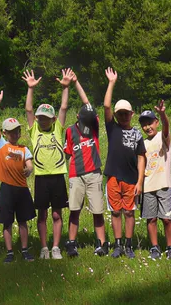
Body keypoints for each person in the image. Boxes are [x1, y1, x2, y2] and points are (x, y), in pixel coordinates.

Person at [23, 69, 74, 260]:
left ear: (52, 119)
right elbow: (28, 109)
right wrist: (30, 88)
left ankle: (55, 247)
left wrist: (66, 87)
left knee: (57, 214)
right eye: (40, 117)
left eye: (46, 117)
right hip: (42, 178)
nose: (42, 120)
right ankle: (44, 248)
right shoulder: (34, 130)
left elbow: (63, 107)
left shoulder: (58, 129)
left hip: (58, 175)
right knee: (42, 215)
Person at [103, 68, 147, 259]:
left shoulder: (137, 134)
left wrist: (140, 182)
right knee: (115, 212)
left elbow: (141, 157)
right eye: (120, 114)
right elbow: (105, 107)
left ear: (132, 114)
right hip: (114, 176)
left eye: (126, 114)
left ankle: (129, 245)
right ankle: (118, 244)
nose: (123, 117)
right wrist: (111, 83)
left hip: (131, 178)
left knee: (129, 212)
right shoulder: (112, 128)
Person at [0, 86, 36, 263]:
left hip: (22, 189)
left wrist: (29, 169)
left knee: (23, 221)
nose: (15, 134)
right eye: (11, 131)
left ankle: (24, 250)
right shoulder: (1, 145)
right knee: (7, 222)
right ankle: (9, 252)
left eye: (17, 131)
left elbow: (29, 165)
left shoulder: (24, 149)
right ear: (4, 133)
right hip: (6, 189)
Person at [63, 75, 108, 257]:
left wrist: (76, 82)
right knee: (74, 210)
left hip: (94, 173)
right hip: (76, 174)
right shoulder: (70, 131)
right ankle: (71, 243)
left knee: (97, 210)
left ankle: (102, 243)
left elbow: (88, 103)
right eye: (83, 118)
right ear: (77, 117)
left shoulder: (93, 127)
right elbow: (67, 154)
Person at [139, 101, 171, 260]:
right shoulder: (142, 143)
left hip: (164, 185)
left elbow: (166, 126)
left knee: (167, 218)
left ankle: (170, 247)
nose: (147, 127)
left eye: (150, 123)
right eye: (144, 125)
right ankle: (154, 247)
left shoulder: (163, 137)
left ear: (156, 122)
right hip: (148, 186)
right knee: (151, 218)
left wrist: (162, 114)